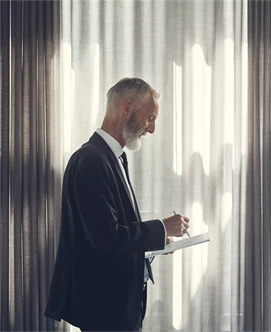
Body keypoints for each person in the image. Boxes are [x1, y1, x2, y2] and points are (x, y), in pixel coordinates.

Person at [45, 78, 191, 332]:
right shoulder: (91, 161)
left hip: (117, 306)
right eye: (150, 118)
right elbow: (106, 238)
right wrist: (161, 228)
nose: (152, 129)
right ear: (127, 108)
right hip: (106, 309)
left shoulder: (110, 158)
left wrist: (155, 242)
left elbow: (114, 233)